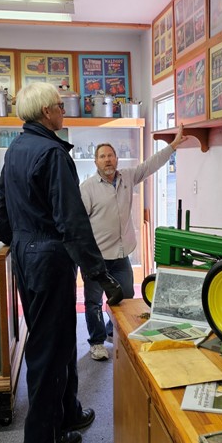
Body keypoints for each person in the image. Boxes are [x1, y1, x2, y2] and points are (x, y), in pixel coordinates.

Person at [0, 82, 123, 443]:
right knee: (50, 345)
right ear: (47, 112)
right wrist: (100, 274)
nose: (63, 110)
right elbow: (72, 221)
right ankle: (41, 435)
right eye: (60, 106)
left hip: (26, 253)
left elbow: (0, 204)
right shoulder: (52, 153)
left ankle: (67, 412)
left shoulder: (16, 147)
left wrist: (15, 239)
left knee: (59, 337)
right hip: (49, 255)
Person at [79, 124, 187, 361]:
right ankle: (96, 342)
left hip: (121, 254)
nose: (107, 160)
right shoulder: (87, 188)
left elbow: (149, 166)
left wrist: (172, 147)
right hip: (96, 259)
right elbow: (79, 225)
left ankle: (110, 331)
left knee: (126, 299)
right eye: (102, 157)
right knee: (94, 302)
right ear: (95, 162)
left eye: (110, 155)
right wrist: (84, 257)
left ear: (116, 159)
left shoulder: (127, 176)